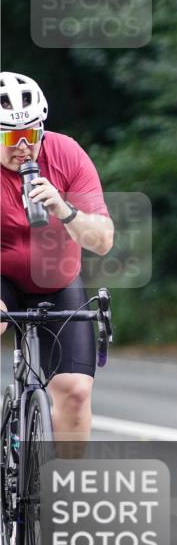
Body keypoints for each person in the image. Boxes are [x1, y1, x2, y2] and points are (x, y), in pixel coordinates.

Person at [0, 71, 114, 453]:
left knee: (76, 392)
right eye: (10, 138)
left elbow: (103, 241)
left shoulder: (67, 155)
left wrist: (66, 211)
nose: (23, 148)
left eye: (31, 134)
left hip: (56, 279)